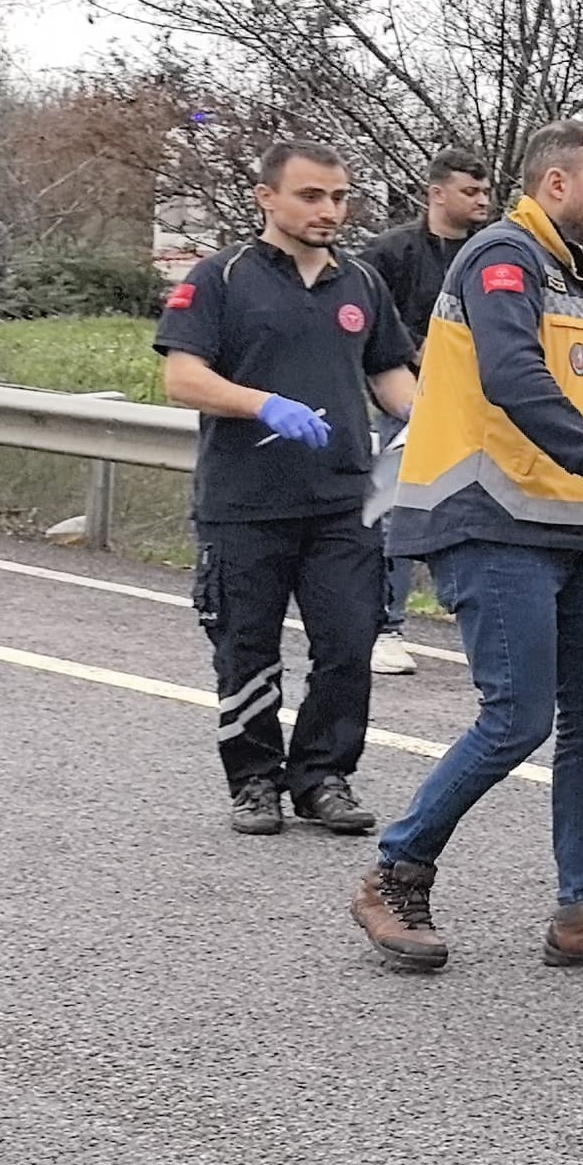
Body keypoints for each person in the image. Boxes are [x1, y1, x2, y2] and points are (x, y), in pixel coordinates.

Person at [350, 120, 583, 975]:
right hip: (485, 518)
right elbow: (512, 379)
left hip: (562, 529)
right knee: (517, 717)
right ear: (556, 186)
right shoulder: (503, 260)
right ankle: (395, 874)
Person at [154, 142, 418, 838]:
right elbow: (182, 377)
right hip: (245, 504)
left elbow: (390, 374)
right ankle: (255, 782)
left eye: (338, 197)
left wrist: (428, 416)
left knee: (347, 642)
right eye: (311, 196)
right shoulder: (221, 279)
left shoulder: (360, 282)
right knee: (247, 646)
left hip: (342, 502)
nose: (328, 210)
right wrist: (262, 403)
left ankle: (324, 777)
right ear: (267, 197)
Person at [350, 150, 496, 675]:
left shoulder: (496, 252)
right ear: (437, 193)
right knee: (398, 509)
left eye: (485, 193)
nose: (481, 201)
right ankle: (383, 627)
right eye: (469, 192)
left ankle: (483, 623)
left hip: (488, 404)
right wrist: (414, 364)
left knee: (483, 514)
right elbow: (367, 323)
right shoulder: (391, 253)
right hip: (409, 402)